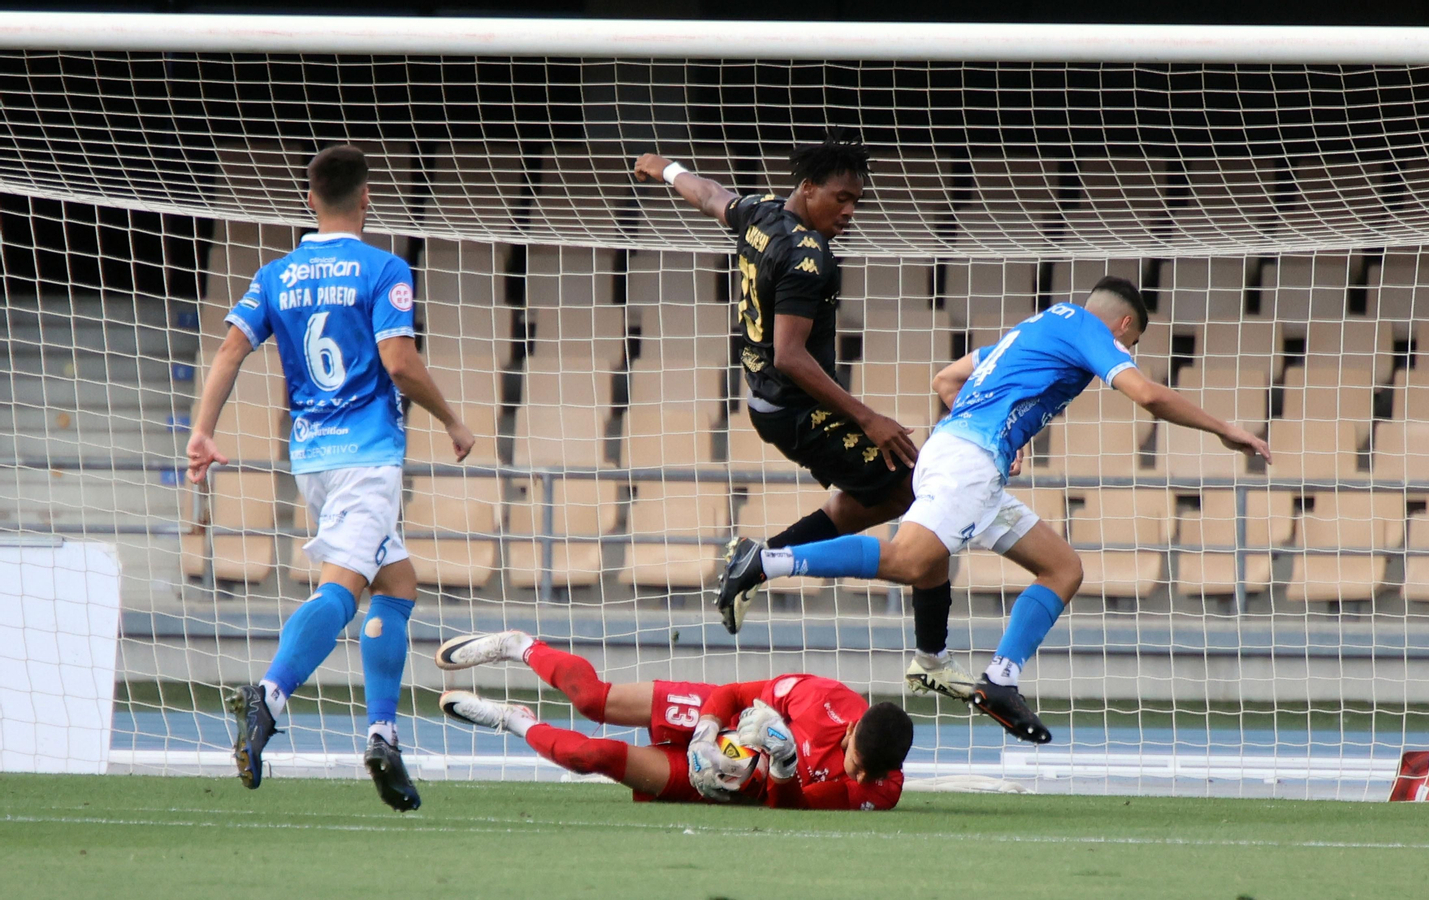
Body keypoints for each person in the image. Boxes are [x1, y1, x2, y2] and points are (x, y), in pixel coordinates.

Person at [715, 277, 1272, 743]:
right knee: (911, 560)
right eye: (1132, 344)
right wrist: (1224, 428)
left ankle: (998, 678)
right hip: (969, 463)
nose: (1128, 353)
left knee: (1063, 568)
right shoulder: (1087, 329)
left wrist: (1004, 436)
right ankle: (767, 562)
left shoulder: (1033, 327)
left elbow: (947, 380)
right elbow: (1147, 395)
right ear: (1124, 327)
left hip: (962, 453)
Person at [631, 132, 972, 704]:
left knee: (888, 495)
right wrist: (868, 417)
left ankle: (769, 562)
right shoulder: (809, 257)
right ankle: (773, 565)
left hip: (768, 402)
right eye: (841, 198)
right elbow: (791, 355)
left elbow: (711, 194)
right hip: (797, 408)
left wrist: (665, 168)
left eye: (857, 201)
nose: (849, 211)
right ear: (808, 188)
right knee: (920, 487)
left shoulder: (761, 214)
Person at [186, 144, 476, 811]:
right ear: (367, 197)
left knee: (396, 583)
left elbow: (230, 349)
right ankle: (270, 695)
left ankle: (382, 736)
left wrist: (203, 430)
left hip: (311, 457)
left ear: (310, 200)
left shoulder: (277, 273)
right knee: (344, 587)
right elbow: (398, 362)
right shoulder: (384, 268)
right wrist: (455, 421)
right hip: (367, 458)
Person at [435, 630, 913, 810]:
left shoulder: (878, 788)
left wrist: (784, 763)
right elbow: (730, 693)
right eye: (856, 762)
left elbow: (789, 809)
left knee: (590, 755)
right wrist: (707, 733)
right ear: (851, 729)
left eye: (872, 773)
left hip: (730, 779)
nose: (861, 776)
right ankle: (518, 646)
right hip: (718, 720)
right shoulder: (817, 698)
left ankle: (513, 720)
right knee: (591, 701)